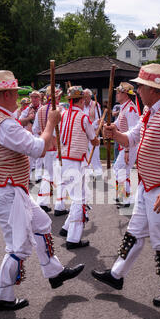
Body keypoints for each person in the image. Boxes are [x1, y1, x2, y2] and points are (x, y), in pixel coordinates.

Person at [0, 70, 84, 312]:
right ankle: (0, 296)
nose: (17, 97)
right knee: (18, 246)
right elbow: (37, 148)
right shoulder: (5, 124)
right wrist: (51, 123)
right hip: (6, 190)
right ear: (8, 94)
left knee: (42, 222)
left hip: (4, 187)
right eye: (15, 93)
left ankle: (54, 272)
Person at [92, 63, 160, 307]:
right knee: (134, 232)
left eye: (140, 86)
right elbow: (131, 138)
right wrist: (114, 133)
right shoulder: (150, 111)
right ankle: (116, 275)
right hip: (148, 185)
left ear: (153, 89)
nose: (137, 90)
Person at [56, 86, 100, 250]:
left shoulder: (64, 114)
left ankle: (66, 228)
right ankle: (73, 239)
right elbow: (92, 137)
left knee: (77, 196)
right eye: (83, 100)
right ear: (81, 100)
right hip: (75, 161)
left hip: (64, 161)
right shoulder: (83, 116)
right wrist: (97, 141)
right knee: (79, 199)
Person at [33, 86, 68, 215]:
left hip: (46, 147)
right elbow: (64, 130)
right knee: (61, 176)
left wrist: (45, 137)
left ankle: (42, 202)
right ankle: (60, 205)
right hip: (58, 147)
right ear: (57, 97)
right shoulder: (61, 110)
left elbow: (35, 129)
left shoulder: (40, 110)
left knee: (48, 175)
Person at [113, 82, 140, 208]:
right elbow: (117, 124)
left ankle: (126, 197)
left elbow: (133, 131)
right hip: (124, 144)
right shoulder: (124, 107)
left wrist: (128, 150)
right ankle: (122, 195)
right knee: (119, 169)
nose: (117, 94)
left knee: (122, 170)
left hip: (130, 145)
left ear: (125, 94)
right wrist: (109, 127)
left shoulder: (130, 109)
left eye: (119, 92)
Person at [83, 89, 103, 179]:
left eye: (86, 96)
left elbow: (98, 119)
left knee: (94, 152)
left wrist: (90, 125)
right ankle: (89, 171)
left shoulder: (95, 105)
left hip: (93, 130)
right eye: (84, 96)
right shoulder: (82, 105)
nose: (85, 98)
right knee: (85, 152)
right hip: (83, 131)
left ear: (90, 96)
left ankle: (98, 171)